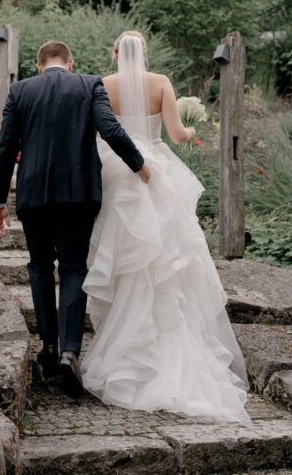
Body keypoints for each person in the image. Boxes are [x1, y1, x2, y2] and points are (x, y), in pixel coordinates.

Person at [79, 31, 250, 421]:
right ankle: (170, 350)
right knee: (166, 265)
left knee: (123, 260)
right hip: (153, 171)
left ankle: (124, 352)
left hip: (115, 173)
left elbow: (97, 133)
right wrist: (190, 130)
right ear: (146, 54)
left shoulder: (103, 85)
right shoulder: (161, 84)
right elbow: (175, 134)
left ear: (114, 53)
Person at [0, 40, 151, 399]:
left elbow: (6, 147)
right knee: (75, 268)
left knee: (40, 266)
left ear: (39, 65)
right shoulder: (90, 84)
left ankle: (47, 347)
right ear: (70, 63)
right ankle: (69, 353)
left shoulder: (20, 90)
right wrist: (139, 165)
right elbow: (110, 129)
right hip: (79, 194)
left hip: (33, 195)